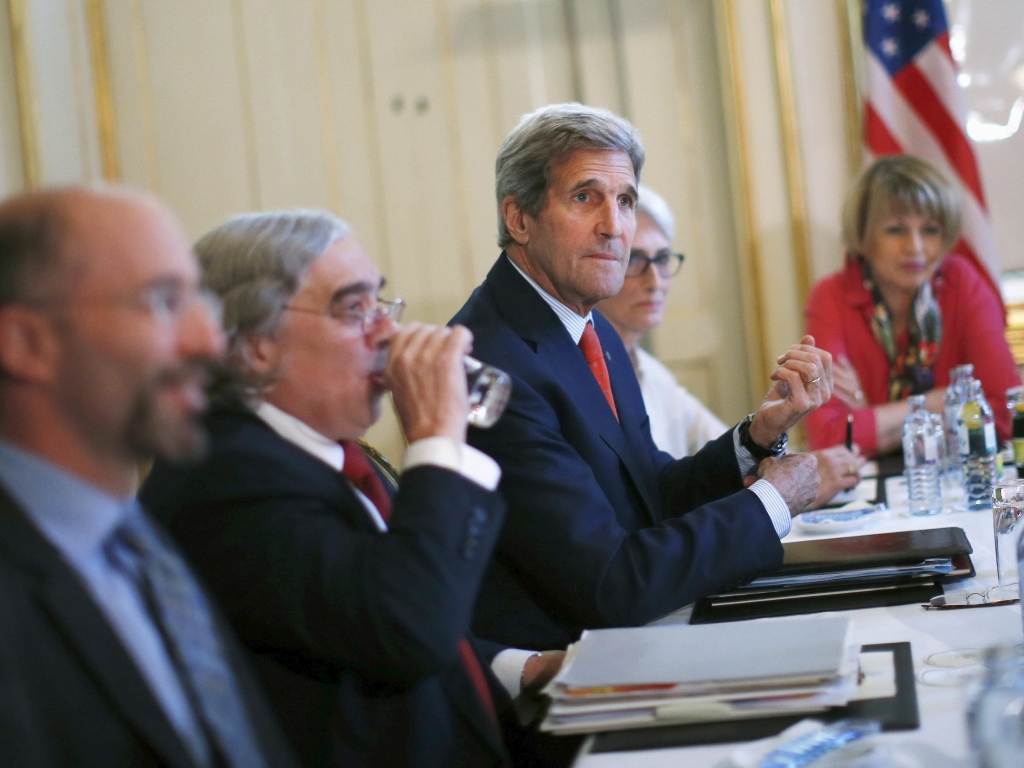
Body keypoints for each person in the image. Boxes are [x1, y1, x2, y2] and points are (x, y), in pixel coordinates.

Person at [140, 211, 562, 768]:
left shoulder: (328, 452)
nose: (387, 332)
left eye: (380, 304)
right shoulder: (225, 480)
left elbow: (358, 617)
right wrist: (438, 438)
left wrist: (522, 668)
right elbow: (407, 627)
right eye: (353, 308)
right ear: (257, 345)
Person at [450, 103, 831, 652]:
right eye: (585, 197)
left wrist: (753, 438)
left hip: (640, 637)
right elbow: (611, 582)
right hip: (566, 678)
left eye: (624, 201)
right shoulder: (487, 361)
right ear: (518, 218)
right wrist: (771, 501)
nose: (613, 227)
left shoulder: (591, 328)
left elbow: (647, 492)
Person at [0, 187, 296, 768]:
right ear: (27, 343)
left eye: (199, 304)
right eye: (161, 302)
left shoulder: (137, 546)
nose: (209, 341)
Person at [597, 184, 865, 504]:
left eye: (663, 259)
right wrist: (792, 490)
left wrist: (788, 448)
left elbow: (725, 464)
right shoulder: (585, 374)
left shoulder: (652, 375)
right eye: (635, 260)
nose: (655, 281)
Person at [804, 155, 1021, 457]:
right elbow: (827, 438)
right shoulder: (830, 297)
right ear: (864, 236)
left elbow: (1006, 415)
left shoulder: (962, 282)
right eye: (896, 230)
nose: (915, 248)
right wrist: (936, 404)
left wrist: (871, 413)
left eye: (930, 230)